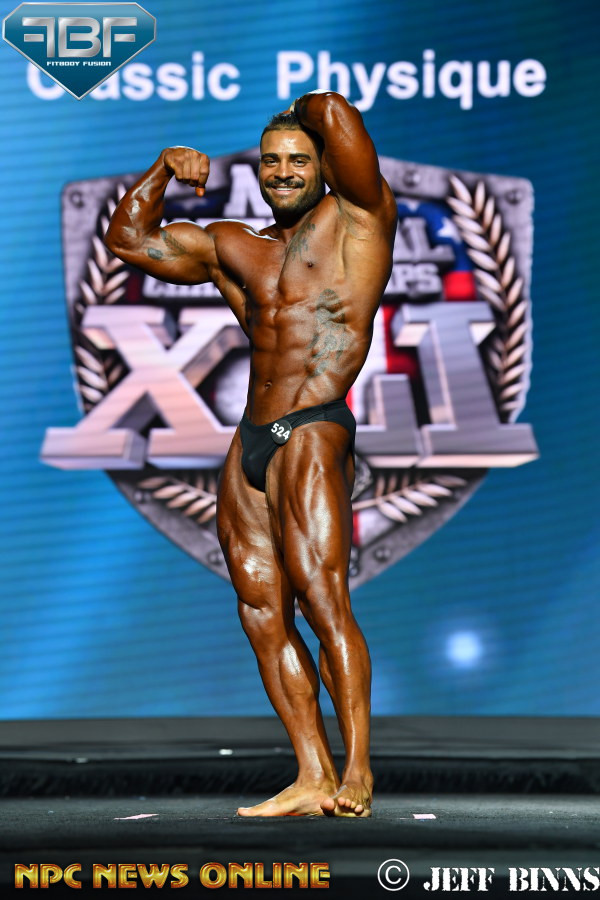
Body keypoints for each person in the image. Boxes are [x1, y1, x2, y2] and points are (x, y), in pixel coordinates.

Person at [105, 90, 397, 817]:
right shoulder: (236, 246)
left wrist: (299, 112)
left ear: (325, 167)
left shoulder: (359, 217)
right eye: (271, 161)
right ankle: (311, 774)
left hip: (315, 425)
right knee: (261, 610)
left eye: (298, 159)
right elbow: (129, 241)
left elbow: (333, 111)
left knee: (323, 597)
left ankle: (357, 772)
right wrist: (162, 168)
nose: (283, 171)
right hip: (251, 440)